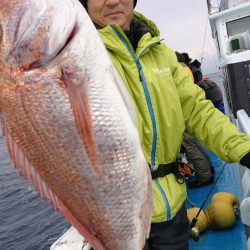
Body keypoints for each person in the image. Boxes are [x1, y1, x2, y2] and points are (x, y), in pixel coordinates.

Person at [80, 1, 250, 249]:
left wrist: (243, 149)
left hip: (171, 207)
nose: (112, 1)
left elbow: (196, 110)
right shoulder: (73, 54)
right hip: (114, 213)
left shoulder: (160, 51)